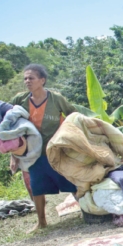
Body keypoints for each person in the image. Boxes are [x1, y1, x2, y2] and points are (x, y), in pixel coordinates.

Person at [9, 64, 77, 233]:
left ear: (42, 80)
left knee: (70, 180)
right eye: (25, 78)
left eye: (31, 78)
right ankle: (42, 222)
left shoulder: (56, 99)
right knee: (36, 185)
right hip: (32, 151)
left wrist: (70, 138)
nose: (27, 81)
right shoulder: (20, 100)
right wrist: (14, 154)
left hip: (55, 147)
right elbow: (10, 125)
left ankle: (88, 210)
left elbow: (73, 115)